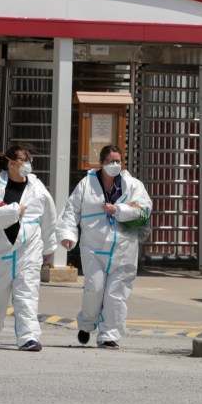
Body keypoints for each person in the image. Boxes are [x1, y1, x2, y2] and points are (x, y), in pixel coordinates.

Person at [57, 144, 153, 349]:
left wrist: (118, 210)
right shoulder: (87, 184)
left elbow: (145, 210)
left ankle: (109, 335)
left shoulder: (133, 185)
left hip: (124, 248)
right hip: (94, 247)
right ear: (101, 163)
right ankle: (86, 324)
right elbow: (71, 210)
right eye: (111, 161)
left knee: (116, 294)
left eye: (118, 161)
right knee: (95, 289)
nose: (115, 165)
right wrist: (67, 234)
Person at [0, 142, 57, 351]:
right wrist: (13, 211)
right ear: (10, 163)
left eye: (29, 160)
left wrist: (48, 248)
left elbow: (49, 219)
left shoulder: (38, 189)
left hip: (29, 249)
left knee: (27, 293)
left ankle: (29, 337)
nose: (27, 164)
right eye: (23, 159)